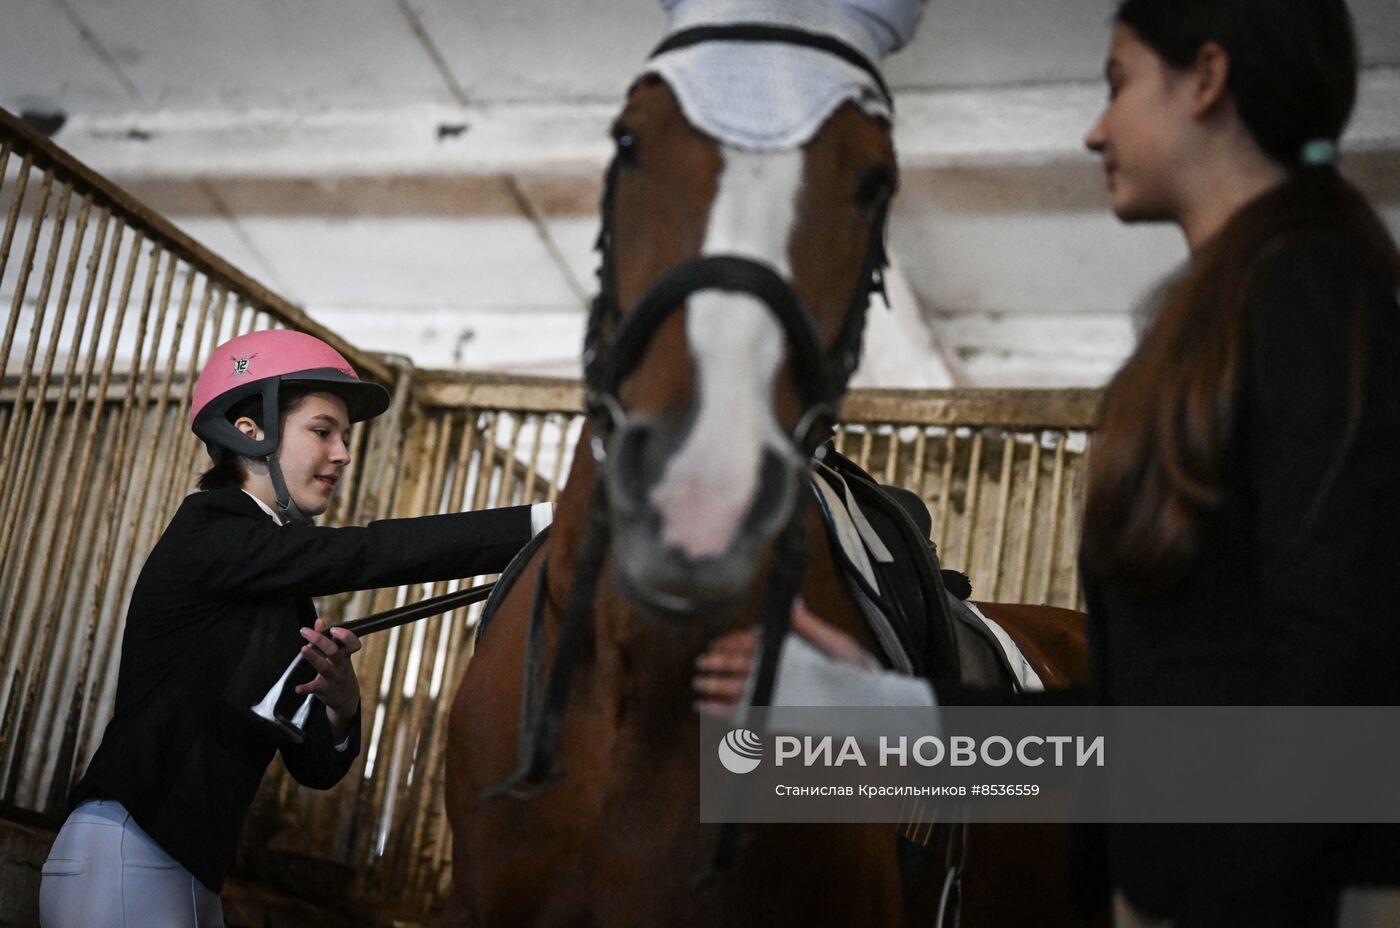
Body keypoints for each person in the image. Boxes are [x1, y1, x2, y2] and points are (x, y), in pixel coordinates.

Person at [697, 0, 1400, 924]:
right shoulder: (1214, 321)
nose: (1095, 127)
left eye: (1117, 83)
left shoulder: (1316, 297)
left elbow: (1341, 675)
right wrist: (886, 716)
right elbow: (1135, 731)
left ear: (1209, 79)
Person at [39, 330, 552, 927]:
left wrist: (339, 708)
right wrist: (544, 521)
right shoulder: (209, 529)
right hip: (128, 850)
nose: (342, 453)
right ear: (248, 428)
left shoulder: (277, 586)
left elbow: (315, 769)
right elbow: (366, 553)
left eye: (345, 438)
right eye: (322, 430)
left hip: (192, 870)